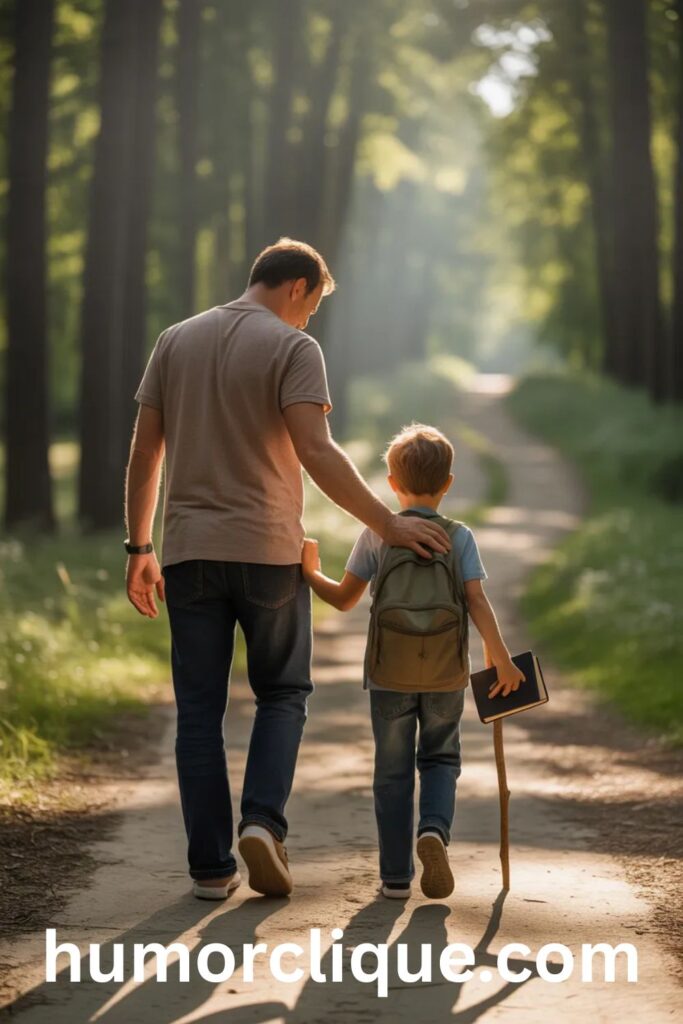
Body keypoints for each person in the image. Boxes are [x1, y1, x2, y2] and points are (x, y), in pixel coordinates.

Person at [123, 238, 452, 900]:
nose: (309, 321)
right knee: (282, 694)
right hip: (268, 554)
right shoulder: (293, 347)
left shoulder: (174, 340)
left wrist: (138, 548)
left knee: (198, 713)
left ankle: (211, 870)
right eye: (313, 306)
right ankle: (263, 823)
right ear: (298, 286)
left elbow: (144, 452)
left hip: (187, 553)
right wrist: (386, 524)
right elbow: (316, 451)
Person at [301, 423, 525, 900]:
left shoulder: (377, 536)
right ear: (448, 483)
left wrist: (309, 572)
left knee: (392, 770)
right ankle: (434, 831)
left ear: (391, 483)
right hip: (445, 673)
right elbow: (477, 602)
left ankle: (395, 879)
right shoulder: (459, 537)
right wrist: (501, 659)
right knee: (442, 758)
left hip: (389, 674)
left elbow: (343, 600)